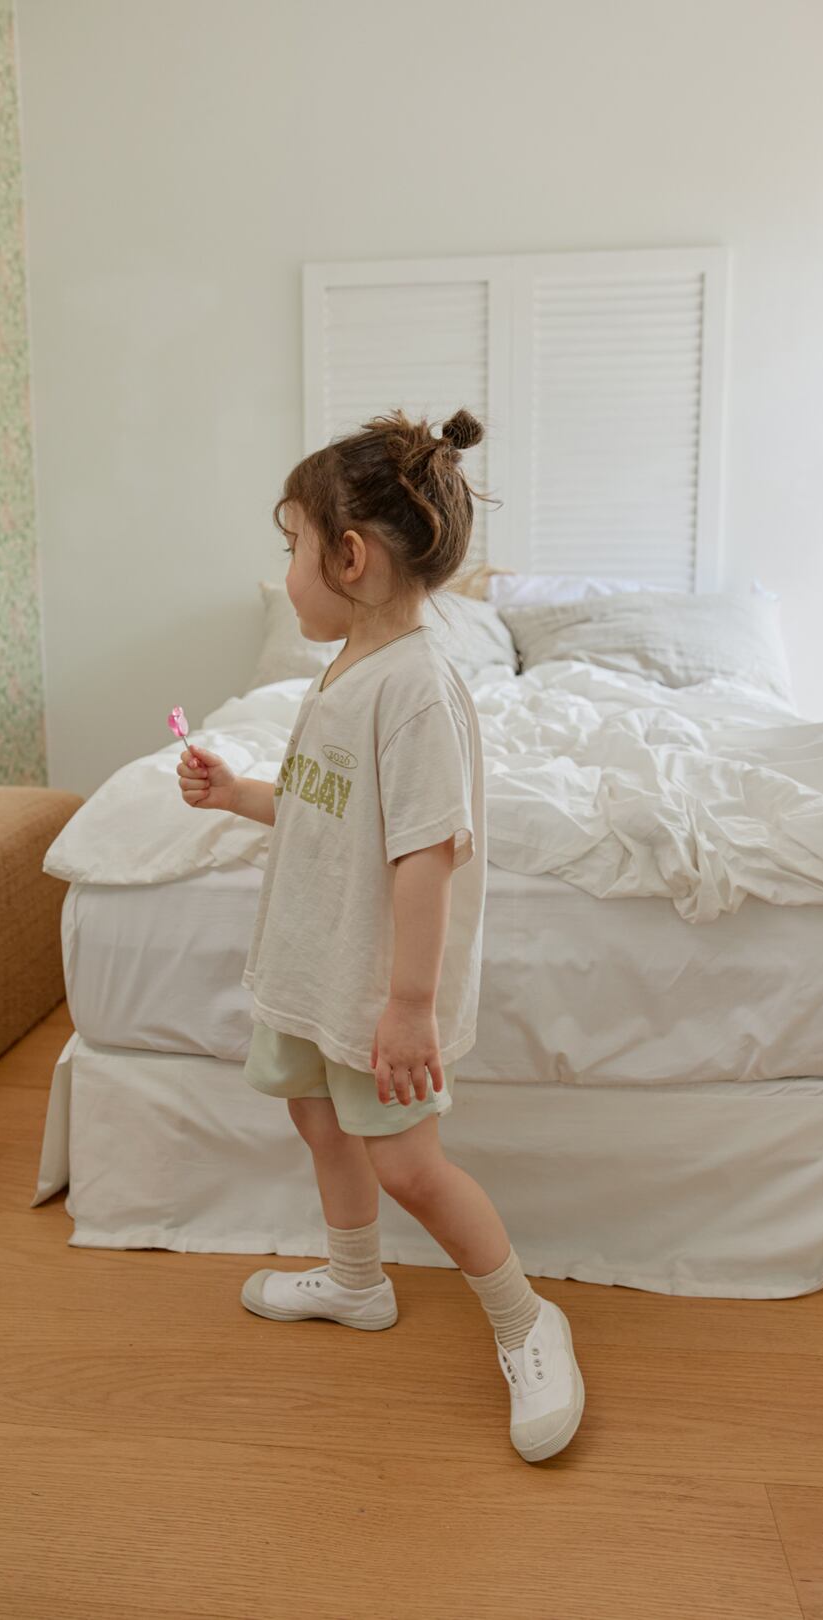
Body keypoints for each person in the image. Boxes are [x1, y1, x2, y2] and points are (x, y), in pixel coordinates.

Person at [176, 407, 584, 1463]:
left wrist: (409, 1008)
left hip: (374, 994)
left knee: (409, 1166)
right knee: (318, 1123)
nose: (288, 574)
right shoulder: (348, 667)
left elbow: (425, 857)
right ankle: (357, 1281)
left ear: (349, 557)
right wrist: (238, 794)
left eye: (293, 549)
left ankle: (525, 1318)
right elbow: (327, 809)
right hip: (315, 970)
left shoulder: (415, 692)